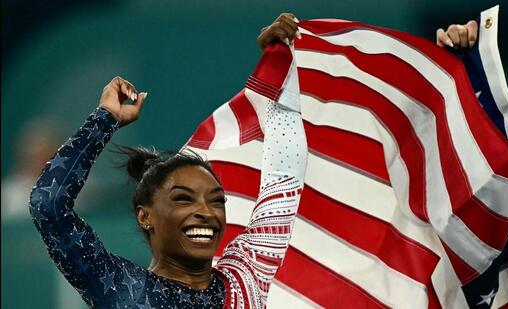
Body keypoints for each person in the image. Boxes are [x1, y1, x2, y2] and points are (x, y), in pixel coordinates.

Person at [29, 12, 480, 308]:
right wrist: (105, 119)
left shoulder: (247, 270)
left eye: (216, 200)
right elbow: (48, 207)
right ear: (145, 216)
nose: (205, 211)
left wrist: (287, 67)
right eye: (184, 199)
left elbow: (283, 172)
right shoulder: (121, 290)